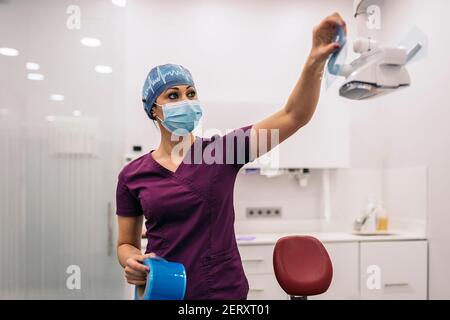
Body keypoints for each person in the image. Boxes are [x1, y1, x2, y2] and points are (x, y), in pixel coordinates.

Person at [116, 12, 347, 300]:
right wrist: (131, 261)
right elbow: (126, 243)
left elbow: (294, 115)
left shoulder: (222, 152)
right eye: (173, 96)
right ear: (153, 109)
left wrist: (315, 60)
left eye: (191, 93)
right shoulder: (132, 175)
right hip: (164, 291)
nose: (185, 102)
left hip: (222, 291)